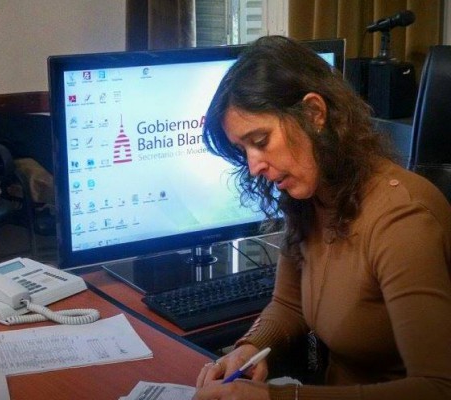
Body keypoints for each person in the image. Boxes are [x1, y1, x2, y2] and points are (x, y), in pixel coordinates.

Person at [193, 36, 451, 399]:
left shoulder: (403, 219)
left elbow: (438, 388)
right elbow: (290, 303)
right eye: (243, 150)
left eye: (261, 141)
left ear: (314, 113)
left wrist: (276, 398)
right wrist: (250, 347)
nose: (253, 167)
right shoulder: (311, 198)